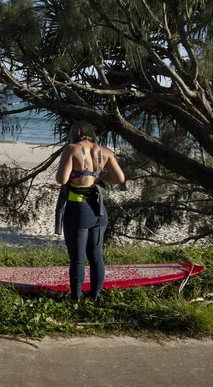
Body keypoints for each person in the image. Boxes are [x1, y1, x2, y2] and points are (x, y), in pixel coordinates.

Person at [55, 121, 125, 304]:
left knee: (77, 258)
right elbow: (119, 178)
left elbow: (61, 179)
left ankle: (74, 299)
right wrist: (99, 176)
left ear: (73, 134)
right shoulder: (105, 151)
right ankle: (94, 296)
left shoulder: (71, 149)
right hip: (99, 210)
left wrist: (76, 175)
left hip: (78, 209)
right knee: (96, 256)